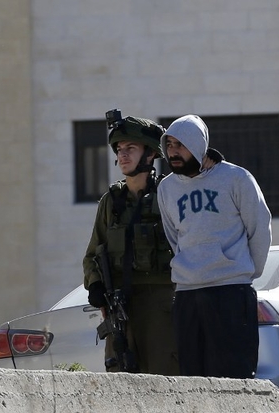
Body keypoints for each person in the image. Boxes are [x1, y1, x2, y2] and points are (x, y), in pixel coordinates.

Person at [158, 114, 272, 379]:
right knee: (192, 381)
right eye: (170, 144)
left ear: (198, 144)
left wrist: (243, 272)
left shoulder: (236, 178)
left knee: (234, 378)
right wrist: (191, 268)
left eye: (181, 144)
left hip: (230, 292)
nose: (173, 151)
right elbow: (173, 237)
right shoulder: (167, 188)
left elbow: (259, 228)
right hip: (187, 294)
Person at [83, 111, 181, 375]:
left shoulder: (168, 195)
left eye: (131, 148)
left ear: (149, 155)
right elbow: (93, 254)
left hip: (161, 302)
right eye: (120, 149)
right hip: (121, 305)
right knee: (121, 378)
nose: (122, 154)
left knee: (165, 377)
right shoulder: (111, 202)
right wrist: (95, 285)